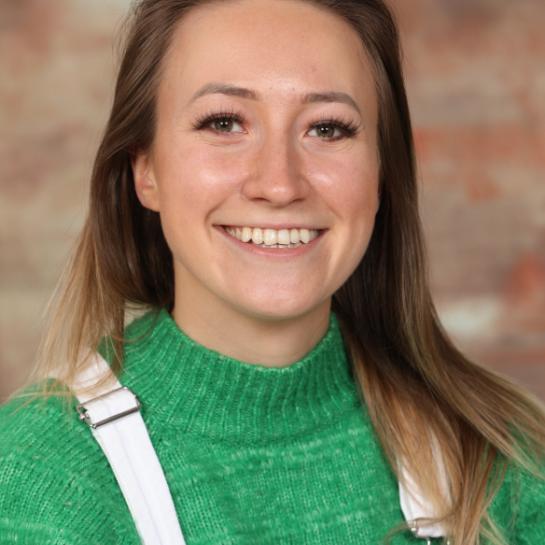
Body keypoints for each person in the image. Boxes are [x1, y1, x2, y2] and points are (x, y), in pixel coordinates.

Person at [1, 0, 544, 544]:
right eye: (224, 123)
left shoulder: (506, 463)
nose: (280, 184)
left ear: (381, 173)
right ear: (146, 171)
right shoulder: (39, 477)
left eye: (327, 129)